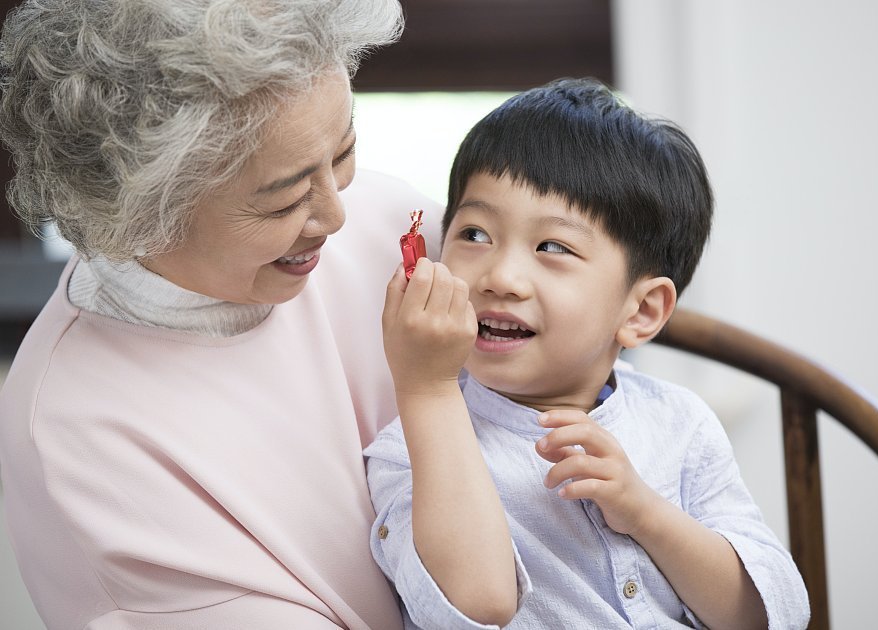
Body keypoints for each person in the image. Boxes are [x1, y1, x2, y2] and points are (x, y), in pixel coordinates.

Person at [0, 1, 442, 628]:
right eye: (284, 199)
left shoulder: (392, 223)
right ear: (144, 215)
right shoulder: (85, 440)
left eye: (343, 152)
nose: (336, 216)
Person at [366, 78, 811, 629]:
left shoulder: (680, 424)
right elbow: (474, 605)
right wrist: (427, 389)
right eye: (475, 234)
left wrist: (645, 514)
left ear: (642, 311)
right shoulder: (412, 445)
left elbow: (774, 614)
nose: (501, 277)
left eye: (552, 247)